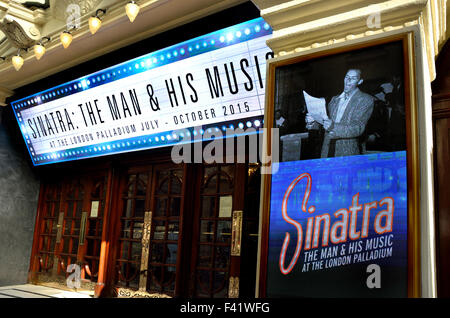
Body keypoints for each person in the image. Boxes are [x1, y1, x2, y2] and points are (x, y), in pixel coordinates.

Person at [305, 69, 374, 158]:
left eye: (353, 78)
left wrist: (333, 126)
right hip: (327, 149)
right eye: (347, 77)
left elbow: (358, 128)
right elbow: (325, 123)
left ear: (360, 82)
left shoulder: (366, 99)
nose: (348, 80)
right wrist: (313, 121)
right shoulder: (335, 99)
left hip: (347, 151)